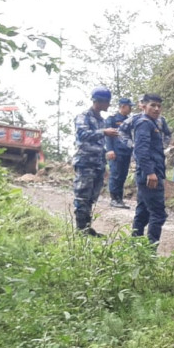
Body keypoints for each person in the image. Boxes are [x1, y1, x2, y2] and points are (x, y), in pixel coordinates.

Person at [72, 86, 118, 236]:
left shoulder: (102, 120)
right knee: (82, 196)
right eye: (107, 102)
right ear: (99, 101)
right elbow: (82, 134)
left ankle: (86, 227)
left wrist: (105, 160)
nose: (109, 105)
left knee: (92, 197)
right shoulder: (83, 116)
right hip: (85, 163)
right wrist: (103, 132)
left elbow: (100, 144)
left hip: (98, 163)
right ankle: (81, 230)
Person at [131, 93, 168, 245]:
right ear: (144, 106)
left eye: (159, 106)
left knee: (143, 212)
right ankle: (150, 250)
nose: (156, 109)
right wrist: (150, 172)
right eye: (153, 105)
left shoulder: (153, 123)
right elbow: (141, 150)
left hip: (150, 173)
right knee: (158, 214)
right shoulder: (144, 123)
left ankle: (135, 246)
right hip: (150, 175)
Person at [105, 97, 133, 208]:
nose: (131, 109)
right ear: (123, 106)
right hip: (116, 151)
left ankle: (119, 199)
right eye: (129, 106)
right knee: (115, 175)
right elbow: (108, 136)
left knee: (123, 175)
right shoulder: (112, 119)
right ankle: (113, 199)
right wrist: (110, 150)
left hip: (126, 151)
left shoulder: (129, 120)